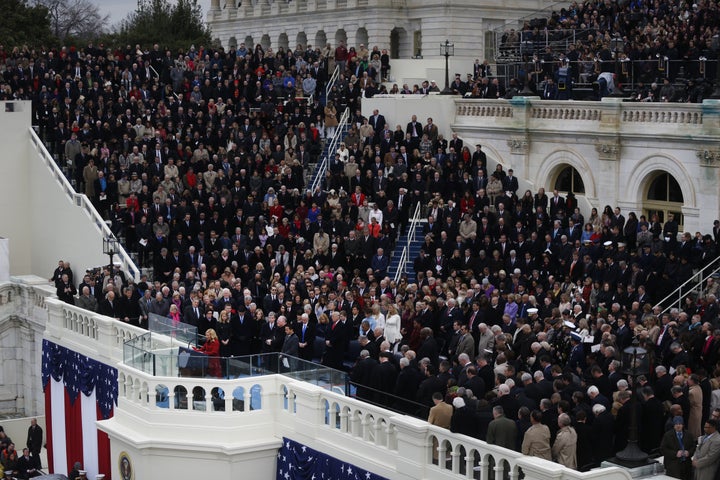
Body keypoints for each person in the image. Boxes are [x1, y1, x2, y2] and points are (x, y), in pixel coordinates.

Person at [661, 416, 695, 480]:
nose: (678, 426)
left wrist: (689, 452)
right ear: (673, 425)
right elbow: (663, 449)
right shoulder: (667, 435)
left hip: (686, 465)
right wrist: (675, 454)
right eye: (676, 424)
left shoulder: (689, 434)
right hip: (673, 466)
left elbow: (693, 447)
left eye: (680, 424)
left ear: (683, 425)